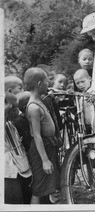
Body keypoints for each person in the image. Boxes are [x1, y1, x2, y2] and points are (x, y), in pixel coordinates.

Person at [24, 67, 60, 204]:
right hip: (41, 150)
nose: (49, 84)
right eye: (46, 81)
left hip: (48, 146)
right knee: (38, 188)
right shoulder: (33, 107)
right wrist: (44, 160)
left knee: (48, 184)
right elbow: (37, 135)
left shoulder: (41, 101)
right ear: (39, 84)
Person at [4, 91, 23, 204]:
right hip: (7, 172)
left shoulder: (9, 124)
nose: (18, 112)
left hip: (13, 170)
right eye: (15, 108)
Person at [73, 69, 95, 134]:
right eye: (77, 83)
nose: (80, 85)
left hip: (94, 125)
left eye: (83, 81)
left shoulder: (94, 93)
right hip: (85, 126)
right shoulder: (80, 96)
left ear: (89, 79)